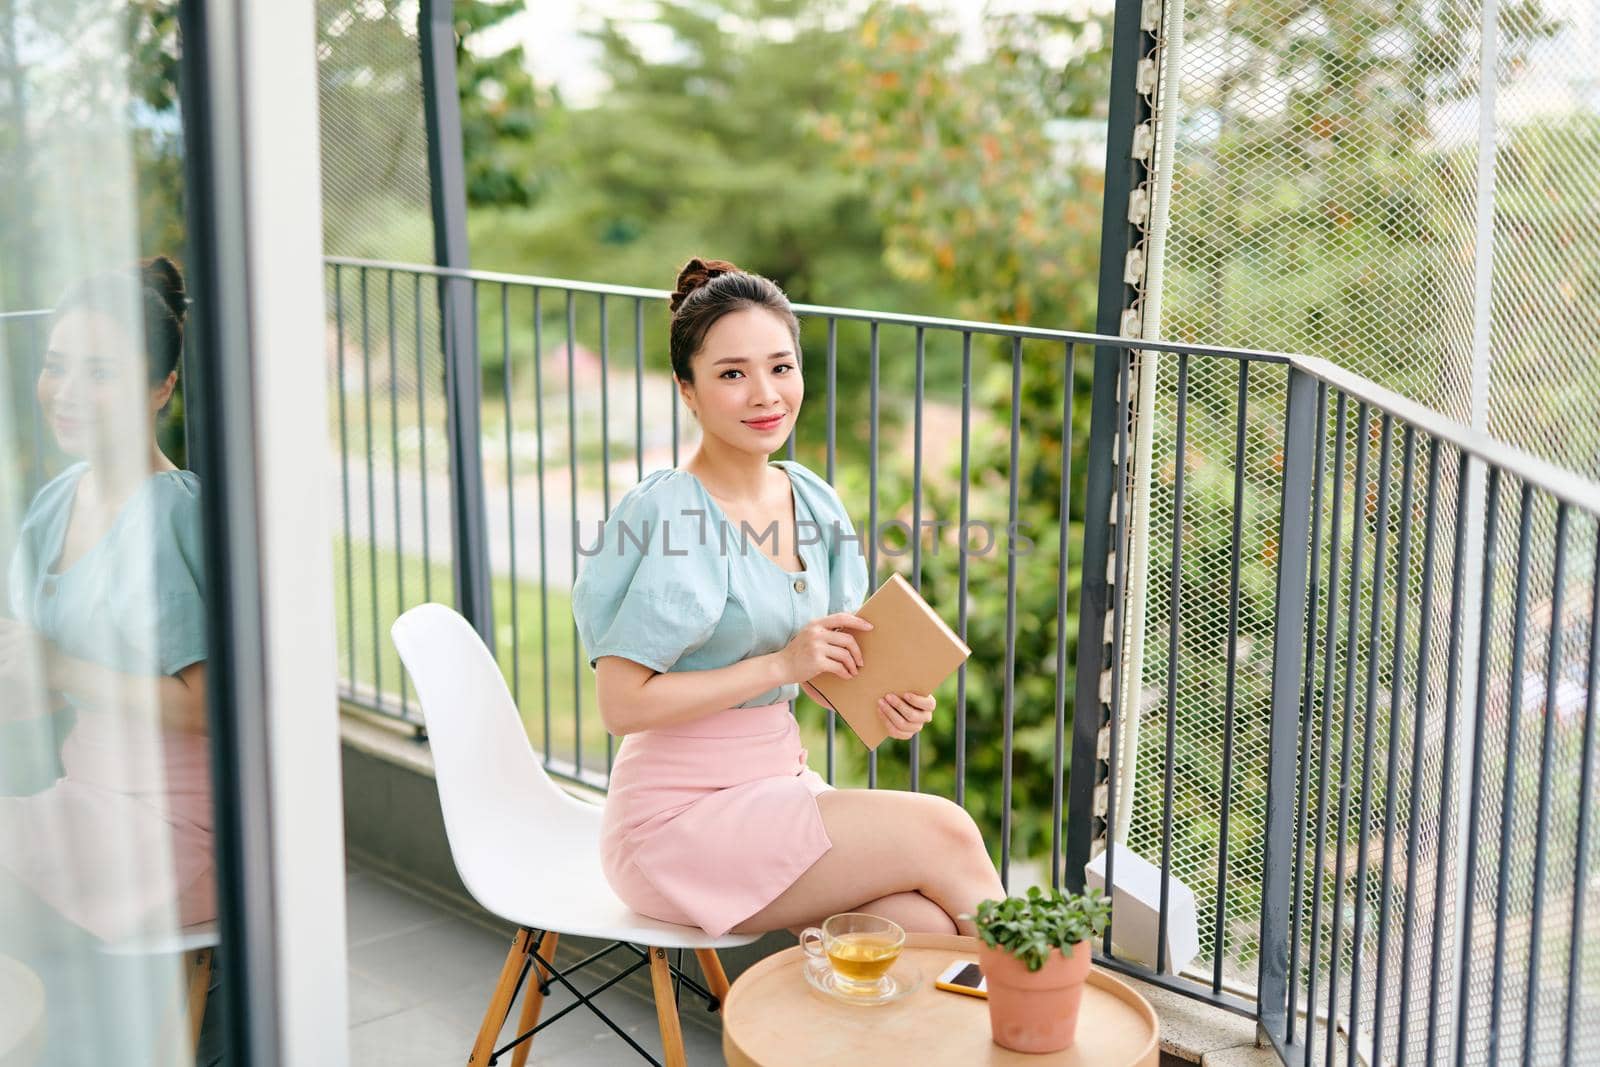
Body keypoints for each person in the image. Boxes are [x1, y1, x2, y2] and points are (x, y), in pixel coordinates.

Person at [572, 257, 1005, 941]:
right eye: (732, 374)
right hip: (673, 822)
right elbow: (621, 705)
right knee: (945, 827)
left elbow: (824, 666)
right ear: (688, 390)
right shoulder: (669, 514)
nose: (765, 394)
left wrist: (886, 702)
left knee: (918, 926)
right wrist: (781, 665)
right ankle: (1041, 1007)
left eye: (780, 367)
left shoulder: (810, 497)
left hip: (776, 788)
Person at [0, 256, 221, 1063]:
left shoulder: (170, 514)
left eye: (99, 374)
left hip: (175, 824)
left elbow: (206, 705)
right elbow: (30, 672)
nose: (63, 392)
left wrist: (57, 670)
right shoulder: (61, 497)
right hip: (87, 794)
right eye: (56, 366)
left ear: (160, 390)